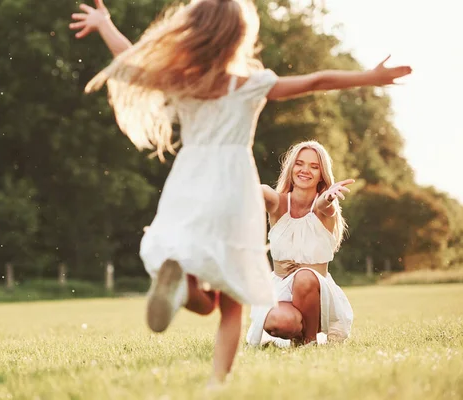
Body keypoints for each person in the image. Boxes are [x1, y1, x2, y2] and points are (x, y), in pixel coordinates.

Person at [70, 0, 411, 385]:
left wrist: (105, 24)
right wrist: (368, 77)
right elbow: (315, 82)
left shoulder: (184, 79)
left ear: (193, 30)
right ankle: (217, 383)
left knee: (191, 266)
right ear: (240, 36)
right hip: (235, 186)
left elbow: (131, 59)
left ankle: (185, 288)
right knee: (232, 303)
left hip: (189, 182)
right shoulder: (251, 83)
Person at [246, 140, 354, 348]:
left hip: (317, 291)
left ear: (322, 175)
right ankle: (297, 338)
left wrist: (327, 199)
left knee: (304, 276)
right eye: (300, 164)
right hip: (281, 288)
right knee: (279, 322)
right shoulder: (278, 203)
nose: (305, 170)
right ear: (291, 168)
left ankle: (310, 340)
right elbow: (264, 191)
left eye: (314, 167)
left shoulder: (325, 208)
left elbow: (323, 206)